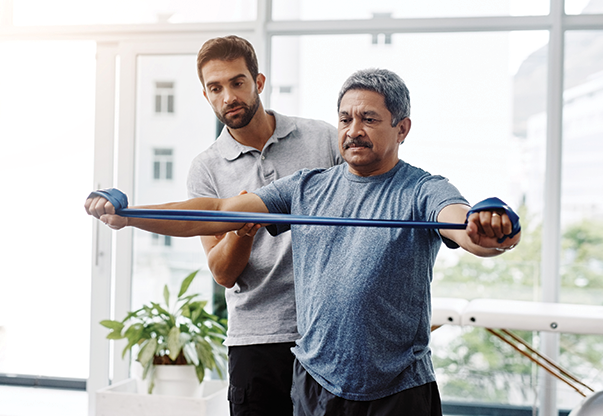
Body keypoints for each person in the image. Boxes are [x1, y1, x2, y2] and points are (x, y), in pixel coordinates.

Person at [86, 68, 521, 415]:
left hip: (398, 390)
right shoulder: (307, 187)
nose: (354, 130)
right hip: (317, 383)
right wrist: (132, 215)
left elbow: (462, 226)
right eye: (346, 119)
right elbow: (216, 213)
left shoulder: (422, 189)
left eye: (369, 119)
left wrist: (486, 228)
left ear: (401, 127)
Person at [191, 35, 342, 415]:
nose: (228, 97)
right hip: (254, 340)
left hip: (325, 334)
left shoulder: (322, 138)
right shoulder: (206, 168)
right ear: (206, 95)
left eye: (237, 83)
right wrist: (245, 230)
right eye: (216, 88)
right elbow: (223, 273)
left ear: (258, 83)